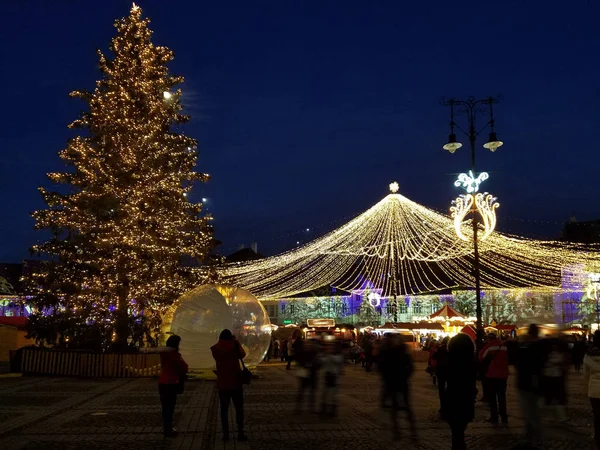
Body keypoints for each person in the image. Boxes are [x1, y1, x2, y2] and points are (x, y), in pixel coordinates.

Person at [512, 324, 547, 450]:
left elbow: (519, 362)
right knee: (530, 414)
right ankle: (529, 439)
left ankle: (536, 441)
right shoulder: (539, 347)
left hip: (528, 384)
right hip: (532, 384)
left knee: (532, 414)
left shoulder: (530, 348)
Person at [211, 329, 248, 442]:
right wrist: (236, 342)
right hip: (236, 382)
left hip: (223, 383)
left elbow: (217, 359)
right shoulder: (234, 345)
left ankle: (225, 434)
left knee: (224, 410)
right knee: (239, 409)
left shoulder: (215, 348)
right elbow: (243, 354)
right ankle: (240, 432)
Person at [379, 334, 416, 440]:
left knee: (405, 407)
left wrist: (405, 376)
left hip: (400, 383)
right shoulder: (390, 352)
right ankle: (398, 431)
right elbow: (382, 367)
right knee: (397, 408)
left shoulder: (401, 352)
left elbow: (411, 367)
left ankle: (410, 431)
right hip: (394, 383)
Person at [446, 333, 477, 450]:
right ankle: (460, 443)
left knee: (455, 428)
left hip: (453, 395)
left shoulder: (449, 360)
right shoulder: (471, 361)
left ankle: (457, 443)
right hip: (467, 396)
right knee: (462, 425)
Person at [158, 335, 189, 438]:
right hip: (171, 383)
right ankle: (168, 429)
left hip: (162, 383)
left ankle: (167, 427)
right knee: (170, 407)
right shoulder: (174, 355)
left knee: (165, 407)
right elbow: (183, 367)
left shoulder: (164, 354)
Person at [479, 333, 509, 424]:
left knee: (492, 397)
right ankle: (504, 417)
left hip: (491, 374)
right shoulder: (504, 346)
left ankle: (494, 416)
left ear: (488, 339)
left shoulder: (489, 346)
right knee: (502, 397)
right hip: (503, 374)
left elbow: (481, 357)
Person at [541, 337, 569, 422]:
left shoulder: (548, 354)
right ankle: (556, 416)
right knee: (552, 397)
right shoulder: (558, 354)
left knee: (555, 397)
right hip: (553, 377)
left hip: (554, 377)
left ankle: (556, 416)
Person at [319, 338, 344, 416]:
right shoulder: (325, 355)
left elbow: (338, 361)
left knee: (333, 394)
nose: (329, 348)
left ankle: (333, 410)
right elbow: (322, 362)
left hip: (334, 376)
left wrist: (329, 355)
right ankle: (324, 409)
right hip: (326, 375)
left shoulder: (338, 355)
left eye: (331, 347)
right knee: (324, 393)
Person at [584, 330, 600, 449]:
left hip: (594, 390)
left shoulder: (588, 355)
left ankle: (599, 439)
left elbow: (586, 375)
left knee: (597, 416)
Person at [296, 338, 319, 413]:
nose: (308, 345)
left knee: (312, 392)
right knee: (302, 391)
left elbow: (317, 362)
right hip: (304, 374)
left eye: (309, 344)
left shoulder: (314, 352)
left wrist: (312, 365)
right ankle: (299, 408)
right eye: (306, 344)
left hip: (312, 374)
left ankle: (311, 407)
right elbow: (298, 361)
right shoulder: (301, 352)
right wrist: (305, 364)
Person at [434, 336, 450, 419]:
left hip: (440, 371)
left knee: (441, 389)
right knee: (449, 388)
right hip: (449, 371)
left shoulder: (439, 349)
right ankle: (448, 406)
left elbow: (434, 357)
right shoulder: (450, 350)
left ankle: (443, 406)